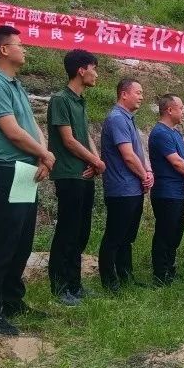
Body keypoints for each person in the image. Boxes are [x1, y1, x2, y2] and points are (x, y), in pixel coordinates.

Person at [0, 25, 54, 336]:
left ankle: (12, 300)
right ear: (4, 49)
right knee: (1, 242)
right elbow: (12, 132)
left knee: (21, 242)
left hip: (24, 170)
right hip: (5, 170)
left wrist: (43, 154)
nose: (25, 49)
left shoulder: (15, 85)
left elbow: (32, 126)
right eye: (20, 44)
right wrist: (44, 154)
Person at [46, 49, 105, 305]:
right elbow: (68, 140)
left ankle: (74, 284)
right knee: (67, 231)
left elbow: (85, 136)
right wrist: (95, 161)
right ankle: (60, 287)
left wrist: (95, 161)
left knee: (81, 231)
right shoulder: (60, 100)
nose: (96, 74)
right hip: (69, 174)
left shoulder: (80, 101)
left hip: (85, 174)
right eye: (93, 68)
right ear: (81, 70)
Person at [99, 78, 153, 291]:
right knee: (114, 236)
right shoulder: (117, 118)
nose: (141, 97)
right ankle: (109, 281)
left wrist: (147, 172)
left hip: (132, 188)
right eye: (138, 92)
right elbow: (128, 156)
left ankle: (126, 276)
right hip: (121, 189)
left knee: (127, 237)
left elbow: (138, 152)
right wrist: (144, 175)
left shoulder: (128, 118)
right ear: (124, 94)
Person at [148, 94, 184, 285]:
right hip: (166, 192)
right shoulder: (160, 133)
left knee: (175, 233)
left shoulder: (174, 132)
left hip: (177, 192)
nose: (183, 112)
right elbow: (176, 162)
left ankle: (169, 269)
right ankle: (160, 274)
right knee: (165, 233)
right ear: (170, 110)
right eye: (181, 108)